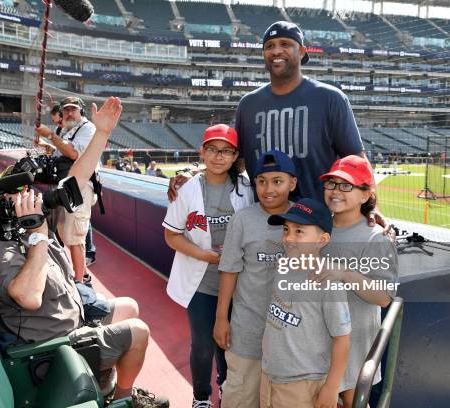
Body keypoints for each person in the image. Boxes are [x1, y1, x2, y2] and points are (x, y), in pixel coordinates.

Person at [0, 97, 168, 407]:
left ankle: (107, 382)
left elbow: (75, 180)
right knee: (138, 332)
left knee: (129, 306)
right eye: (21, 194)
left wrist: (102, 134)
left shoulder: (27, 225)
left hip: (71, 318)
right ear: (6, 209)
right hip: (51, 348)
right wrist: (38, 236)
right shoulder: (0, 252)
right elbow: (29, 297)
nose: (32, 196)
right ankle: (123, 399)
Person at [168, 21, 389, 233]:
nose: (276, 51)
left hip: (317, 223)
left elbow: (356, 158)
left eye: (286, 44)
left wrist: (371, 206)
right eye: (270, 46)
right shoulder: (248, 104)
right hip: (263, 222)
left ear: (302, 51)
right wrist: (197, 175)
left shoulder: (330, 98)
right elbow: (237, 160)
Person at [163, 124, 253, 407]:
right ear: (202, 151)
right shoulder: (188, 189)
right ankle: (201, 397)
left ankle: (227, 388)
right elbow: (171, 235)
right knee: (202, 345)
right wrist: (205, 256)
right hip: (201, 281)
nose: (218, 156)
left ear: (235, 155)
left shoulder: (247, 188)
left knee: (229, 343)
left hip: (239, 282)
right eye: (212, 149)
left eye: (226, 151)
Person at [213, 150, 297, 408]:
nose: (268, 189)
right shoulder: (243, 219)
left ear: (292, 183)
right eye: (261, 181)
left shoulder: (304, 218)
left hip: (289, 338)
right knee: (240, 397)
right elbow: (230, 270)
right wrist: (221, 318)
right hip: (247, 330)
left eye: (277, 181)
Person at [318, 155, 398, 408]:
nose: (335, 191)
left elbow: (384, 296)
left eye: (346, 186)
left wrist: (345, 274)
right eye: (331, 184)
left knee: (354, 401)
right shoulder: (317, 227)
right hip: (317, 340)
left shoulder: (376, 238)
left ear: (366, 195)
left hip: (354, 346)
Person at [262, 198, 351, 408]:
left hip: (303, 384)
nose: (289, 238)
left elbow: (342, 339)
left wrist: (331, 387)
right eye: (286, 229)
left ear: (322, 239)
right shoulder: (283, 265)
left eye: (299, 231)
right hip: (270, 374)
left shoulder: (326, 281)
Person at [35, 97, 97, 282]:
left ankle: (80, 282)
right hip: (69, 186)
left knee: (75, 236)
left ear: (81, 112)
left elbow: (73, 153)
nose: (69, 113)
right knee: (66, 232)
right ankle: (82, 274)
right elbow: (64, 150)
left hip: (81, 187)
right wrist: (50, 145)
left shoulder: (87, 128)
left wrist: (51, 136)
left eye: (73, 109)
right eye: (66, 110)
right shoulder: (69, 129)